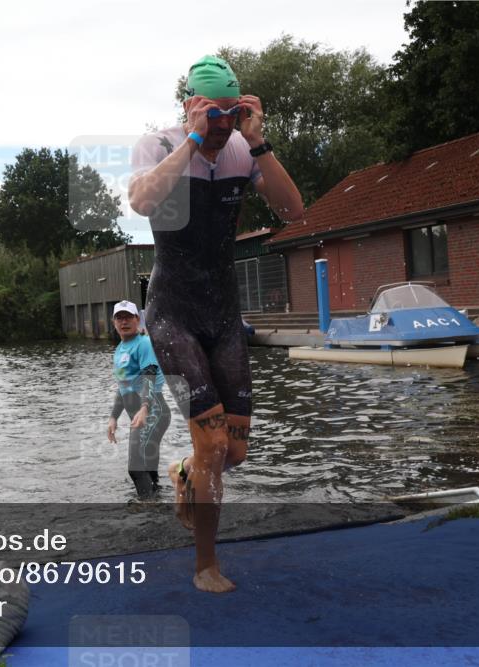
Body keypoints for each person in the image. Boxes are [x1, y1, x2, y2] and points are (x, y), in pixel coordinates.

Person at [128, 55, 304, 592]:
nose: (223, 125)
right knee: (211, 445)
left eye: (232, 113)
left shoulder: (241, 149)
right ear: (190, 106)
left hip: (223, 314)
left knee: (235, 450)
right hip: (172, 312)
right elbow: (140, 201)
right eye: (214, 113)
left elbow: (293, 212)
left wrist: (259, 143)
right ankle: (206, 565)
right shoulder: (158, 145)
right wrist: (190, 141)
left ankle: (184, 474)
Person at [107, 300, 171, 499]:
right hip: (142, 413)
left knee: (135, 468)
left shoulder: (143, 344)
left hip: (153, 411)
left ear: (137, 319)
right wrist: (113, 417)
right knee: (148, 466)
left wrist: (144, 408)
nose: (124, 321)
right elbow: (123, 387)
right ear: (114, 322)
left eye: (128, 317)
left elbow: (149, 374)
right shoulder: (120, 350)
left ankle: (148, 510)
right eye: (119, 317)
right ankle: (159, 503)